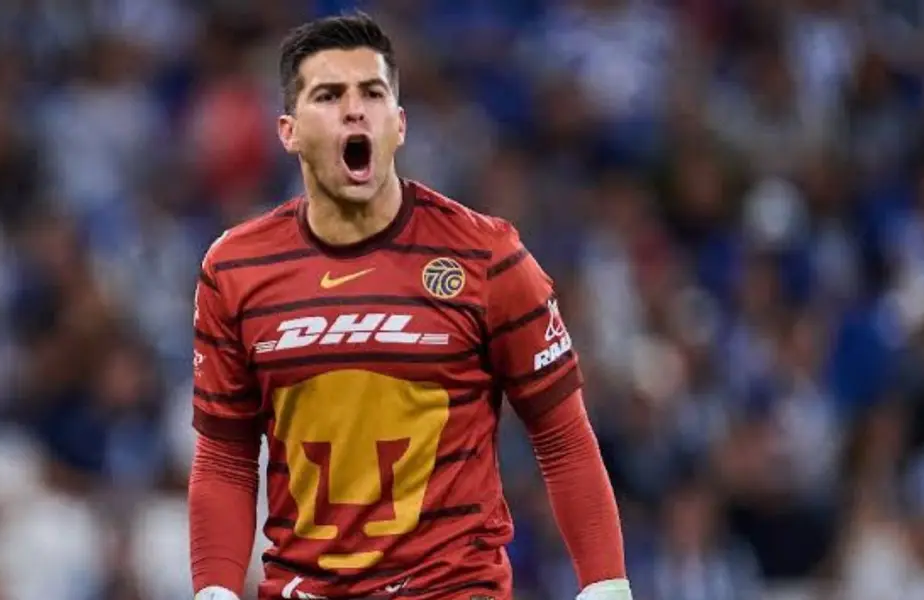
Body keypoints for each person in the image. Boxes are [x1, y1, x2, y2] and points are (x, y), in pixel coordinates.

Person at [188, 12, 631, 600]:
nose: (355, 110)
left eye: (372, 93)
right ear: (288, 132)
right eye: (329, 95)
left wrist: (605, 583)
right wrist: (214, 590)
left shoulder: (488, 258)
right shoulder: (234, 270)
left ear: (398, 124)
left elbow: (562, 434)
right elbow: (225, 454)